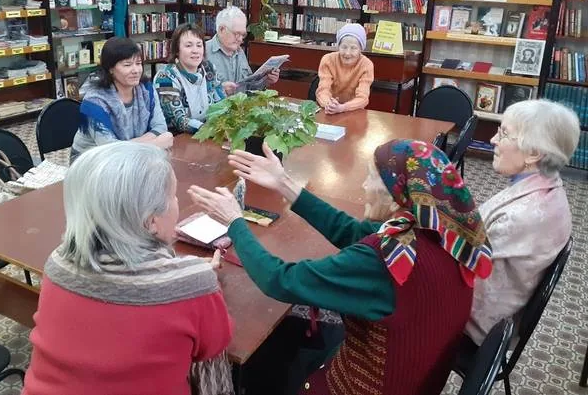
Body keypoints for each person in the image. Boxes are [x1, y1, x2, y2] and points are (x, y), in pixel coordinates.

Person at [189, 139, 493, 395]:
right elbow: (353, 232)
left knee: (258, 356)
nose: (363, 185)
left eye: (371, 179)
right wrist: (284, 183)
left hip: (366, 386)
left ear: (396, 195)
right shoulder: (444, 233)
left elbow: (279, 280)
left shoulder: (385, 261)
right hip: (413, 377)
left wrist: (235, 222)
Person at [22, 142, 233, 395]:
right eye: (173, 196)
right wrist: (196, 278)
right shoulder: (195, 283)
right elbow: (214, 345)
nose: (177, 201)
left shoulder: (58, 262)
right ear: (151, 221)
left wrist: (184, 273)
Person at [465, 99, 580, 346]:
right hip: (494, 311)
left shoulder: (523, 215)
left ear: (534, 153)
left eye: (504, 134)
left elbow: (461, 261)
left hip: (473, 328)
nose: (493, 140)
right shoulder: (549, 187)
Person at [70, 37, 172, 162]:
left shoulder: (146, 89)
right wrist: (155, 144)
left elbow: (160, 127)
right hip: (93, 162)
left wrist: (129, 146)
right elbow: (111, 150)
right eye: (127, 65)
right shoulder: (94, 101)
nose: (136, 70)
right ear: (110, 69)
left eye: (138, 63)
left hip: (132, 158)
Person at [154, 23, 228, 134]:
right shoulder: (165, 77)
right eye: (188, 46)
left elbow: (222, 103)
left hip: (210, 134)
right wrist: (210, 130)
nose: (195, 50)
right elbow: (179, 120)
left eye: (199, 45)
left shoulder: (209, 68)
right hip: (177, 138)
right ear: (177, 50)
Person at [205, 6, 280, 92]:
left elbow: (249, 87)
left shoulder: (239, 52)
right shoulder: (203, 52)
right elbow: (195, 92)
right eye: (237, 34)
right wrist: (220, 90)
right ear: (221, 29)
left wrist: (266, 81)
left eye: (243, 35)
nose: (240, 39)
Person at [315, 23, 374, 115]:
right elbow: (323, 90)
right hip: (328, 110)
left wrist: (342, 108)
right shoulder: (328, 60)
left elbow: (363, 98)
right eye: (344, 47)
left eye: (353, 48)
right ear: (338, 46)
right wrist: (329, 104)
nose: (347, 53)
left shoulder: (366, 64)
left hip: (353, 111)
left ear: (361, 49)